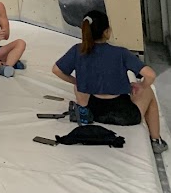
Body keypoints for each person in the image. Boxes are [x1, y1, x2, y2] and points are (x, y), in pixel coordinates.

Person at [52, 9, 168, 153]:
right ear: (107, 32)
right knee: (149, 92)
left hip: (95, 111)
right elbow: (150, 75)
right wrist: (141, 85)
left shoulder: (77, 50)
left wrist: (76, 81)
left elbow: (56, 70)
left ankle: (82, 110)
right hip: (124, 115)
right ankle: (156, 140)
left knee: (79, 84)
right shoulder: (120, 53)